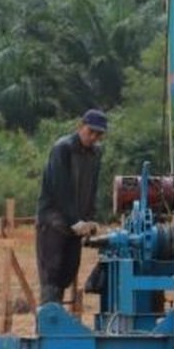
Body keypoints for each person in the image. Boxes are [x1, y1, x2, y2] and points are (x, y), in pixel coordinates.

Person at [36, 109, 107, 305]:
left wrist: (90, 217)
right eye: (90, 131)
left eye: (98, 134)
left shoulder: (96, 153)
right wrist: (74, 220)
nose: (93, 137)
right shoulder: (63, 148)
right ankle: (50, 323)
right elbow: (60, 188)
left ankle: (57, 320)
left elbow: (92, 186)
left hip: (76, 223)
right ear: (80, 126)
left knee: (69, 271)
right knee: (52, 274)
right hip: (54, 220)